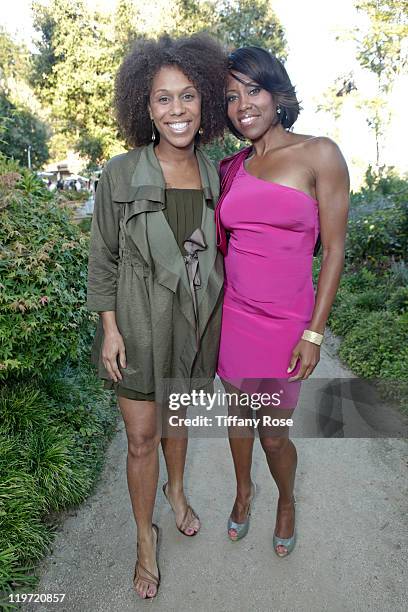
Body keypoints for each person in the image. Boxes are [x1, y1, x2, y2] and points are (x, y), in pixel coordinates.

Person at [86, 34, 226, 599]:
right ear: (145, 107)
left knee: (179, 423)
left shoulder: (217, 174)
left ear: (204, 103)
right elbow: (103, 258)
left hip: (196, 325)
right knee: (142, 438)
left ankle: (176, 491)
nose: (176, 111)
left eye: (187, 96)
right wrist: (110, 331)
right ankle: (145, 536)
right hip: (140, 325)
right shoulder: (120, 173)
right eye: (163, 99)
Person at [215, 47, 349, 557]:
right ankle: (243, 493)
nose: (242, 104)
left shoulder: (320, 154)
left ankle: (286, 499)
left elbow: (335, 249)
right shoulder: (234, 166)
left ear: (277, 93)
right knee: (238, 417)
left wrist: (314, 332)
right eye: (231, 96)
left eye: (253, 90)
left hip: (287, 324)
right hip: (234, 317)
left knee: (273, 435)